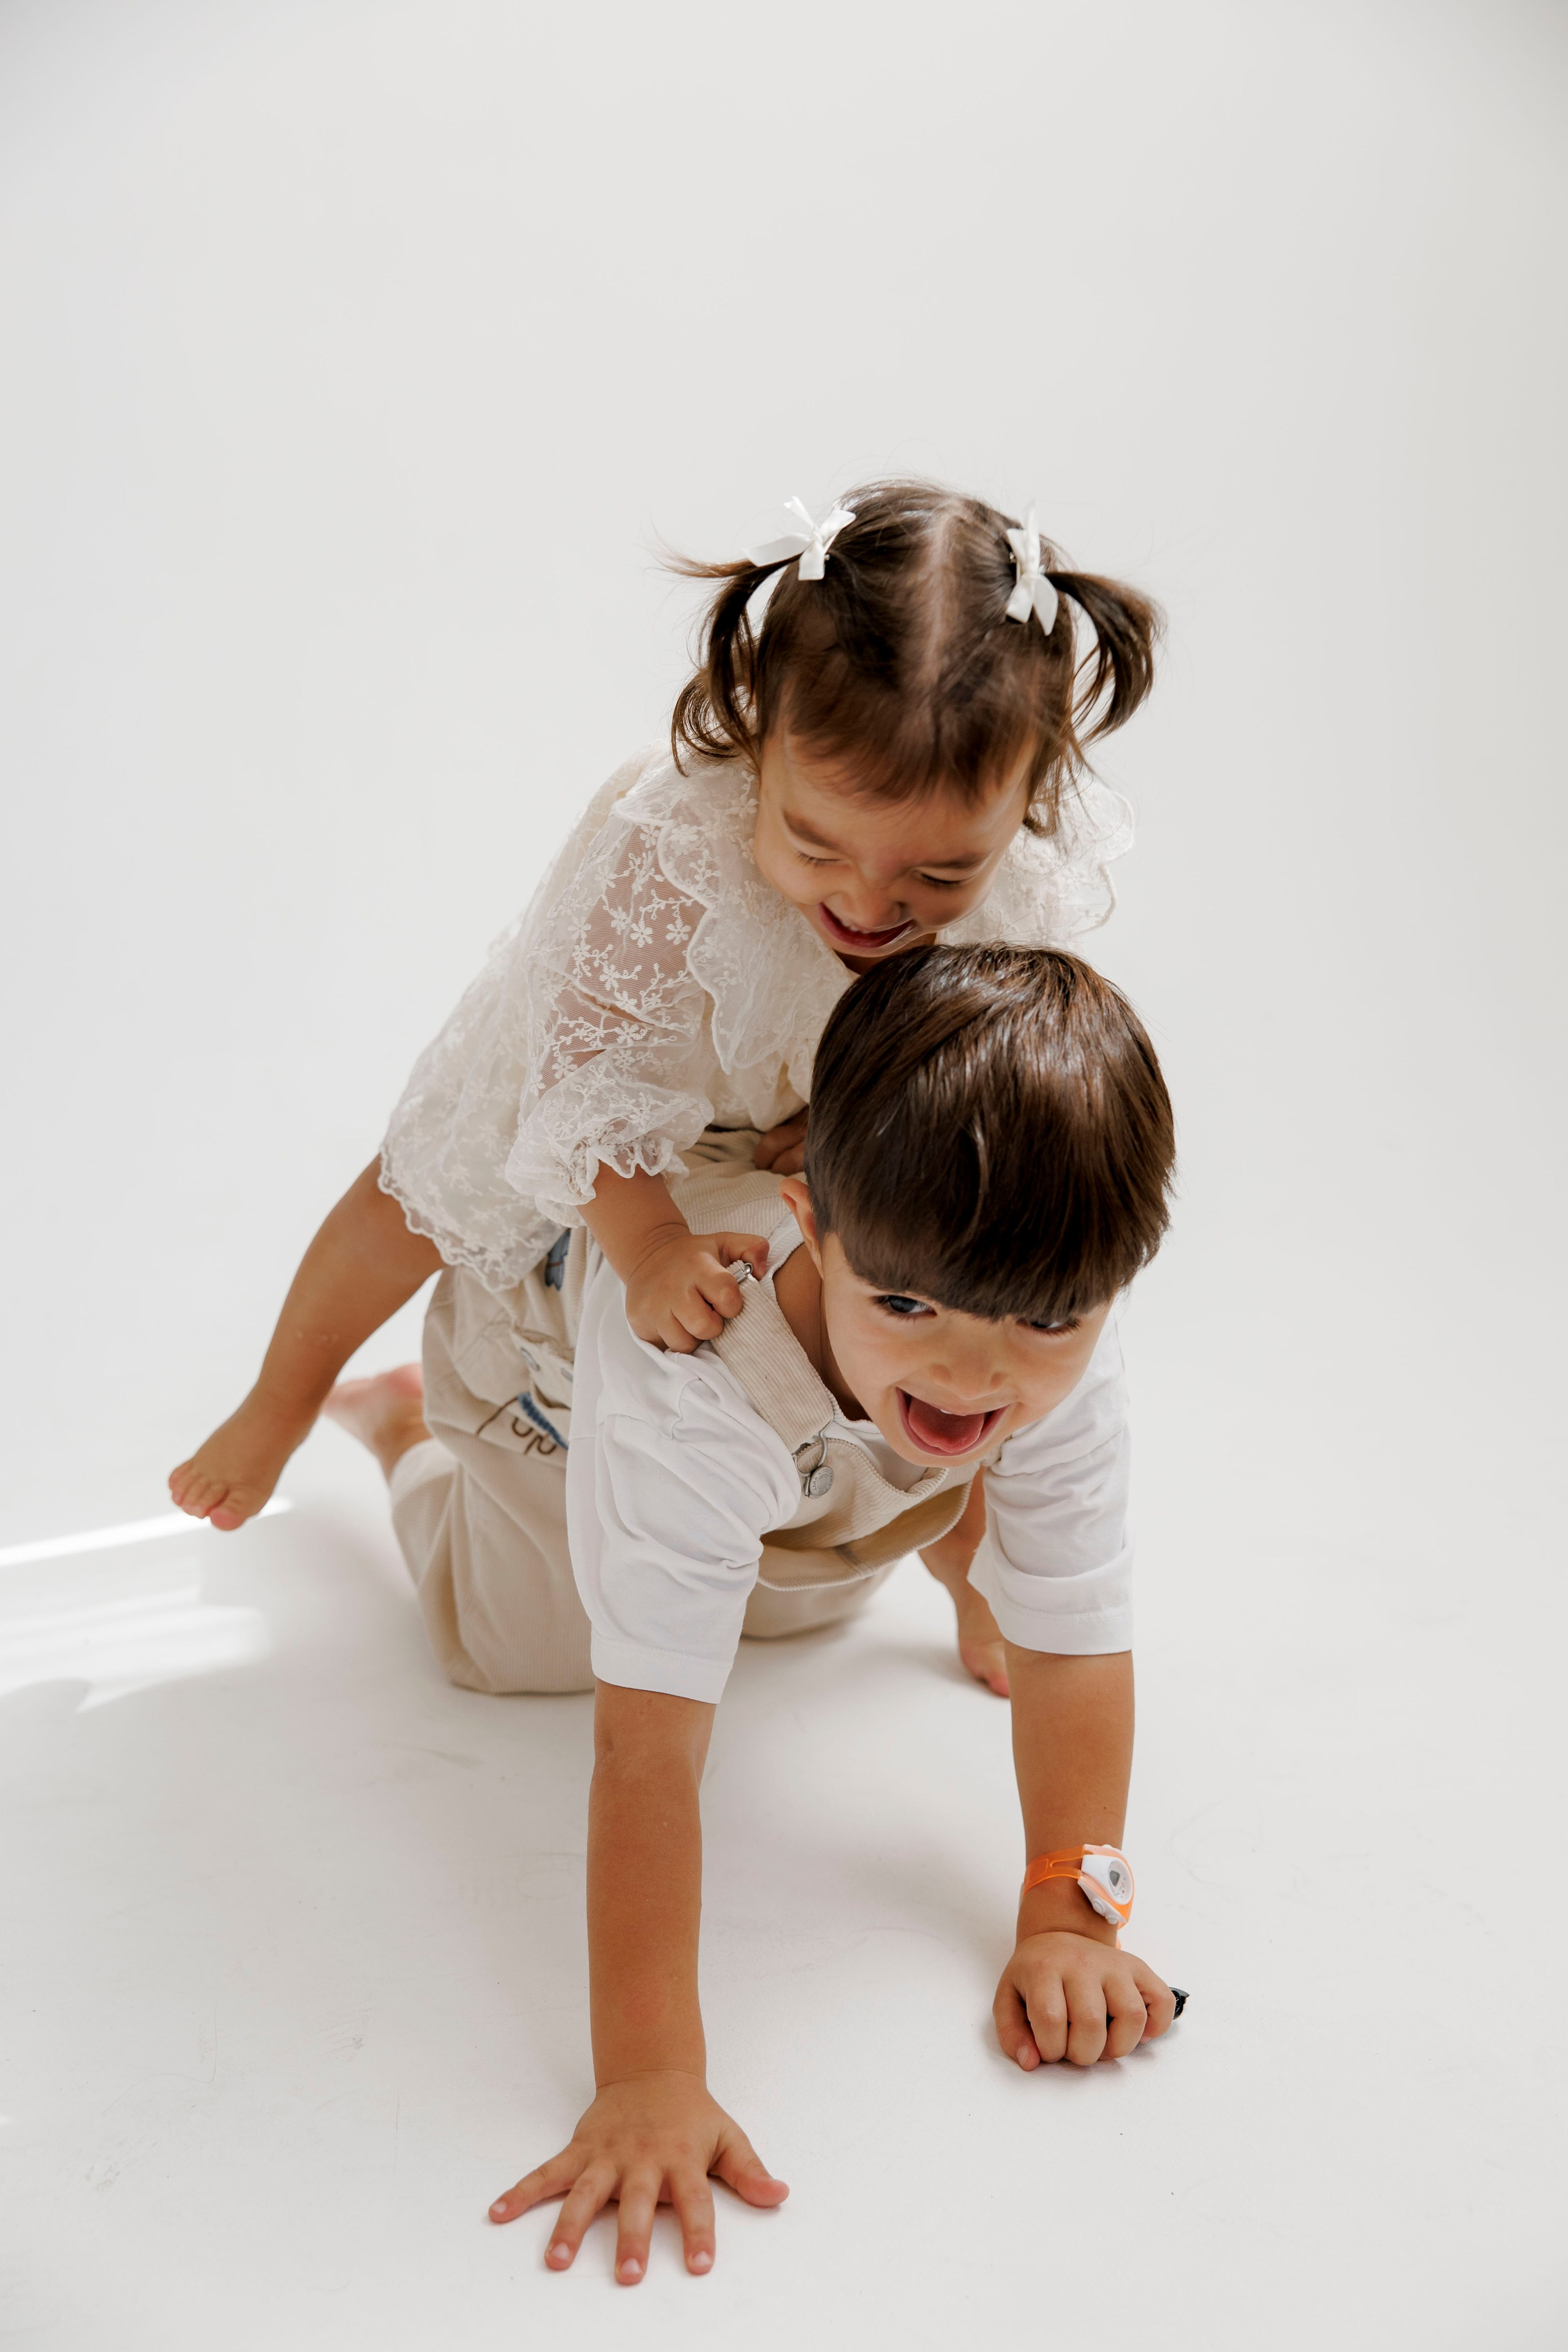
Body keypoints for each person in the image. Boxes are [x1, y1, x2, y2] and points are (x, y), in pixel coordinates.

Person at [168, 479, 1159, 1691]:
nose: (864, 903)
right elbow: (582, 1078)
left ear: (1028, 796)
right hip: (624, 1107)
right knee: (422, 1197)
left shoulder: (1021, 866)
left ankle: (977, 1569)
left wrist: (866, 1132)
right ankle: (351, 1412)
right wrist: (642, 1248)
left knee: (970, 1299)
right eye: (814, 846)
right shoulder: (670, 847)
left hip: (834, 1162)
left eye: (938, 874)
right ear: (752, 740)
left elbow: (1005, 1057)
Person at [327, 941, 1180, 2285]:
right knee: (511, 1651)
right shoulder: (695, 1381)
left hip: (820, 1452)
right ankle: (400, 1442)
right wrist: (650, 2074)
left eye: (1045, 1323)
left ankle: (952, 1543)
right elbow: (646, 1751)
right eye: (904, 1303)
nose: (974, 1360)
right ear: (810, 1220)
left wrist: (1068, 1911)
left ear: (1108, 1284)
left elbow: (1077, 1632)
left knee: (872, 1526)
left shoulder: (1041, 1310)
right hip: (545, 1392)